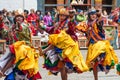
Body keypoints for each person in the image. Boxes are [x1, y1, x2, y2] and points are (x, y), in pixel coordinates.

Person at [39, 8, 88, 80]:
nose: (61, 17)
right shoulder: (57, 24)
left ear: (66, 16)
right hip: (59, 45)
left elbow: (72, 27)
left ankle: (44, 51)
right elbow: (51, 30)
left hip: (68, 45)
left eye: (63, 16)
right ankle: (44, 51)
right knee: (62, 67)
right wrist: (42, 26)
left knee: (63, 67)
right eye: (60, 15)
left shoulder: (68, 22)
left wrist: (72, 18)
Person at [76, 9, 119, 80]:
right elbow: (78, 27)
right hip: (92, 44)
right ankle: (96, 78)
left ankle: (101, 58)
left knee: (102, 49)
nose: (93, 15)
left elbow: (100, 21)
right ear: (89, 15)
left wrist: (99, 14)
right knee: (94, 64)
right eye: (91, 14)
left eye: (94, 14)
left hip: (99, 42)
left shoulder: (97, 21)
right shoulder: (86, 23)